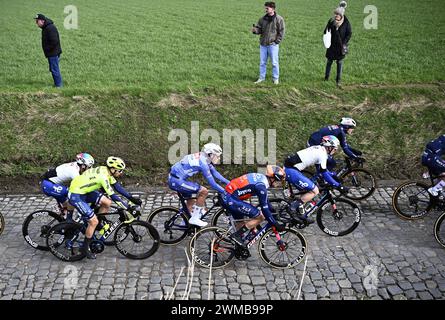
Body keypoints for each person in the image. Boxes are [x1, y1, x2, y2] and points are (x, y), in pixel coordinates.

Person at [68, 156, 142, 259]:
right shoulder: (103, 177)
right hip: (76, 194)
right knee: (93, 222)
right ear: (112, 169)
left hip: (83, 189)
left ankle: (98, 223)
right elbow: (113, 195)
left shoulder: (106, 170)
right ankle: (84, 249)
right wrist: (126, 208)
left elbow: (117, 187)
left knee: (106, 202)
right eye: (119, 170)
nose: (121, 173)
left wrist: (131, 198)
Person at [284, 135, 348, 223]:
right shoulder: (322, 154)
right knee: (315, 191)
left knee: (308, 189)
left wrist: (333, 175)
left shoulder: (318, 148)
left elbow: (320, 170)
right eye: (335, 148)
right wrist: (338, 186)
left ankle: (300, 212)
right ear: (329, 147)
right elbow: (324, 173)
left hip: (291, 168)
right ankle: (292, 207)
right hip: (291, 171)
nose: (335, 151)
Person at [221, 165, 286, 247]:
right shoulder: (261, 186)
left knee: (241, 222)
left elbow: (264, 200)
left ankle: (239, 243)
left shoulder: (262, 178)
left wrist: (272, 210)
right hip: (231, 199)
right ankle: (236, 236)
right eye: (278, 181)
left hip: (229, 196)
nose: (279, 184)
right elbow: (264, 209)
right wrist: (274, 223)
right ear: (273, 179)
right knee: (260, 217)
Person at [168, 143, 229, 227]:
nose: (219, 158)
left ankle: (185, 221)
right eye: (217, 156)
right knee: (203, 191)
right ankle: (195, 218)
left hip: (176, 178)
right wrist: (225, 192)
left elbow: (215, 173)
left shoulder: (204, 157)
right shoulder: (203, 163)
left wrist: (229, 183)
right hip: (177, 181)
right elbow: (213, 184)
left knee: (191, 201)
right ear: (210, 155)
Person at [251, 2, 285, 85]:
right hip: (263, 44)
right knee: (262, 63)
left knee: (274, 63)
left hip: (273, 45)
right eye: (265, 8)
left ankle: (275, 79)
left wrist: (276, 41)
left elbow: (282, 31)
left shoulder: (279, 19)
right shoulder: (262, 19)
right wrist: (255, 31)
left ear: (273, 9)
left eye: (267, 8)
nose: (265, 10)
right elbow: (259, 29)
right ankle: (261, 78)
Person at [323, 1, 351, 88]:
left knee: (339, 62)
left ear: (341, 15)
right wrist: (327, 30)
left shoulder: (346, 23)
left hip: (341, 47)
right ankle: (326, 78)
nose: (336, 16)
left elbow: (349, 33)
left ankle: (338, 80)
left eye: (337, 14)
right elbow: (326, 32)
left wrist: (344, 43)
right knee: (329, 61)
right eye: (335, 14)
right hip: (332, 46)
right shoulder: (331, 22)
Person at [34, 13, 63, 87]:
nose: (36, 23)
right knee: (53, 69)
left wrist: (48, 49)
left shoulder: (49, 28)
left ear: (42, 21)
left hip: (53, 53)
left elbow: (54, 41)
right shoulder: (46, 27)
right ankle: (57, 84)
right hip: (52, 52)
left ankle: (59, 86)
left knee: (54, 69)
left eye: (37, 21)